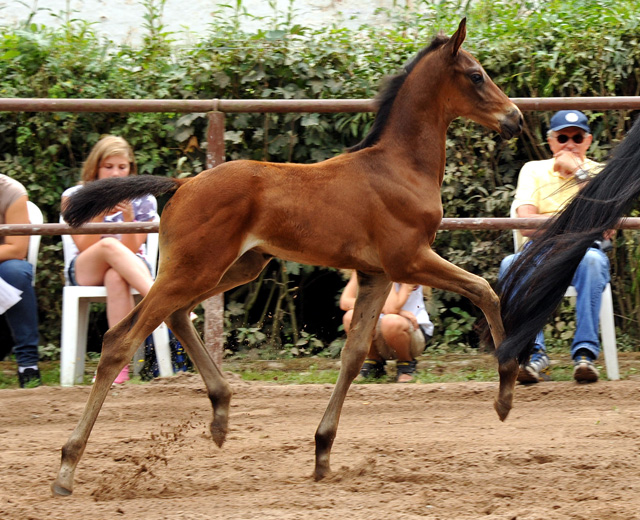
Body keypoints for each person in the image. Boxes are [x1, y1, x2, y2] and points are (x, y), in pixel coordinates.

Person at [500, 110, 611, 384]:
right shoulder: (533, 170)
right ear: (551, 141)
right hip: (539, 253)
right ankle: (534, 355)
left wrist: (579, 172)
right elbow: (526, 224)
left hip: (583, 253)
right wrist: (579, 223)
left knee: (594, 261)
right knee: (508, 265)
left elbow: (605, 227)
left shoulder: (599, 172)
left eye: (576, 137)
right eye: (562, 137)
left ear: (588, 141)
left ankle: (584, 355)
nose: (569, 144)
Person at [61, 135, 158, 384]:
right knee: (107, 244)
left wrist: (128, 220)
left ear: (130, 169)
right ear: (95, 167)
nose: (116, 173)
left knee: (116, 276)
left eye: (122, 167)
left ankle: (117, 368)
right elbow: (85, 246)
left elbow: (133, 248)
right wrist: (99, 214)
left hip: (131, 267)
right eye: (109, 167)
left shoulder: (143, 199)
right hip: (86, 267)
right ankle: (161, 301)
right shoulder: (75, 196)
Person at [340, 271, 434, 383]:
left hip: (411, 333)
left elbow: (391, 309)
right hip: (380, 333)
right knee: (350, 318)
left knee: (390, 321)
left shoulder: (407, 269)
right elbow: (345, 302)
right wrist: (401, 312)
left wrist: (387, 275)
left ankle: (406, 364)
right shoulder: (363, 269)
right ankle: (374, 362)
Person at [0, 174, 41, 387]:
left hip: (3, 265)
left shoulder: (12, 191)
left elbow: (17, 248)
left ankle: (28, 365)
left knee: (17, 271)